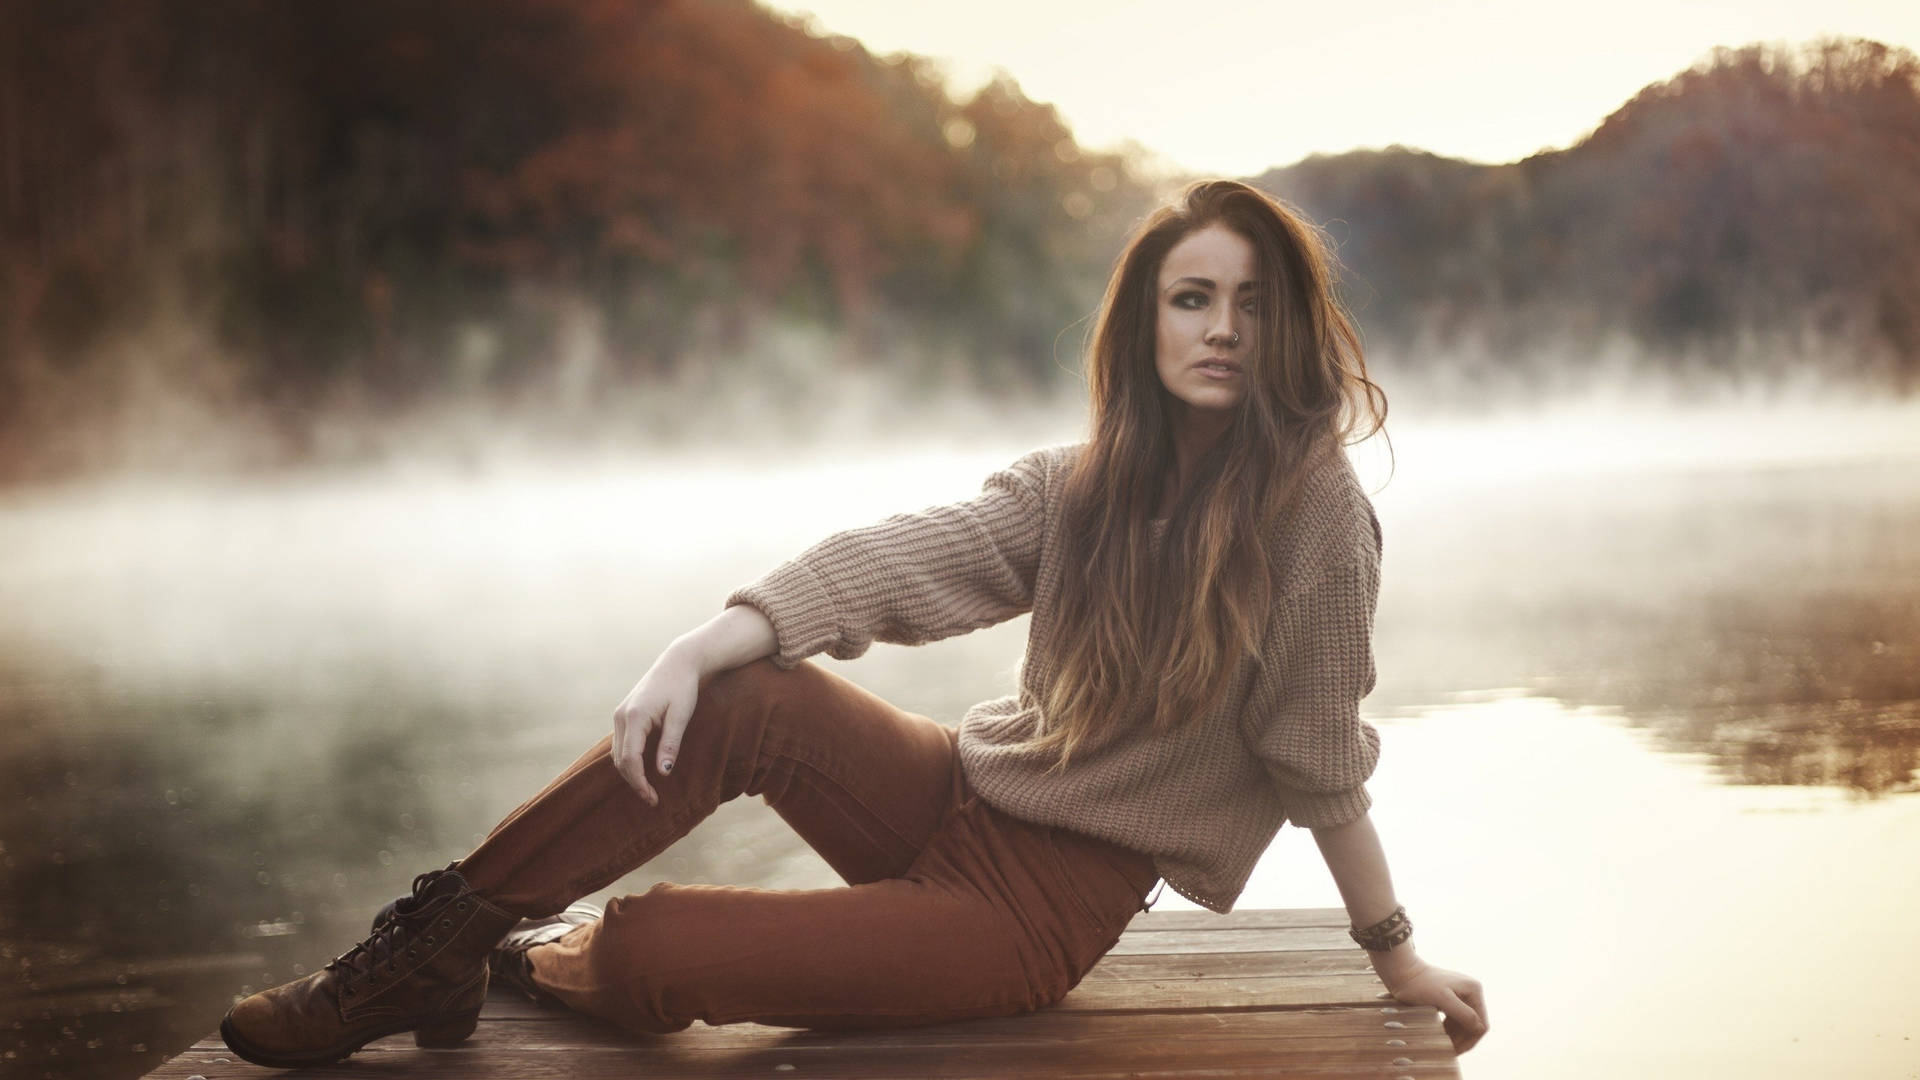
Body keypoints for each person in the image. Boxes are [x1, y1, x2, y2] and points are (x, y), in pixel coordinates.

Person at [218, 178, 1489, 1068]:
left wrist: (1396, 961)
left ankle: (538, 954)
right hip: (955, 794)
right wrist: (704, 638)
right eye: (1192, 298)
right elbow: (905, 559)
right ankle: (426, 946)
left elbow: (1316, 759)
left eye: (1254, 303)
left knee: (660, 949)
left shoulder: (1316, 511)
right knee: (745, 693)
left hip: (1039, 914)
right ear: (1144, 322)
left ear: (1289, 327)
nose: (1222, 329)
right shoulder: (1082, 483)